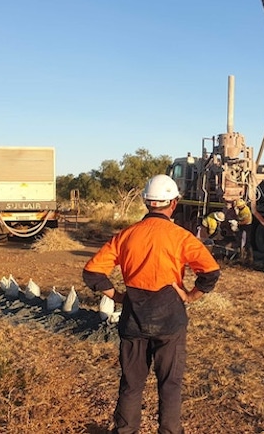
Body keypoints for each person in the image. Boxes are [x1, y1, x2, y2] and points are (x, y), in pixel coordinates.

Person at [82, 174, 221, 434]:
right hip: (170, 321)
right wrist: (191, 296)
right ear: (174, 203)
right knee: (170, 385)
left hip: (133, 318)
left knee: (131, 384)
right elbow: (211, 273)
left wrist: (118, 296)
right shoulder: (181, 237)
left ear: (147, 203)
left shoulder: (125, 236)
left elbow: (92, 272)